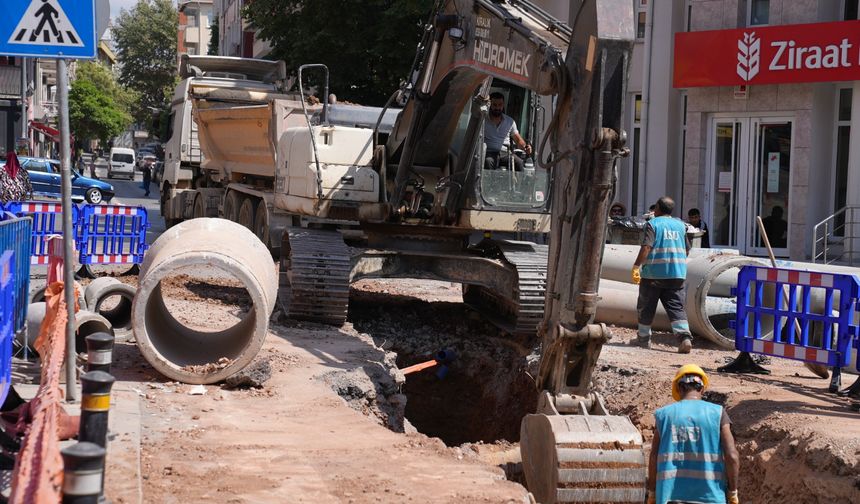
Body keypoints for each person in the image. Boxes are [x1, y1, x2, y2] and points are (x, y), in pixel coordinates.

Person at [648, 364, 740, 504]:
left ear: (678, 388)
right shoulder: (718, 413)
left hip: (669, 497)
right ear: (702, 389)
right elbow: (732, 456)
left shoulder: (664, 415)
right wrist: (732, 492)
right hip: (711, 497)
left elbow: (654, 457)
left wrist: (652, 493)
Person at [632, 197, 693, 353]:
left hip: (654, 274)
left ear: (657, 208)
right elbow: (687, 249)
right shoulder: (680, 225)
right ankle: (684, 338)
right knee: (676, 307)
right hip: (677, 274)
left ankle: (643, 339)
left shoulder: (652, 224)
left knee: (646, 306)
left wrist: (636, 266)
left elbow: (646, 247)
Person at [483, 92, 532, 171]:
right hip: (488, 152)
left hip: (505, 153)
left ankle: (520, 183)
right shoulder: (483, 120)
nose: (497, 108)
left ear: (503, 105)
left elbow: (518, 140)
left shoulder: (510, 122)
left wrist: (525, 147)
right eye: (494, 105)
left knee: (519, 162)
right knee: (488, 161)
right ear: (490, 105)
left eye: (500, 105)